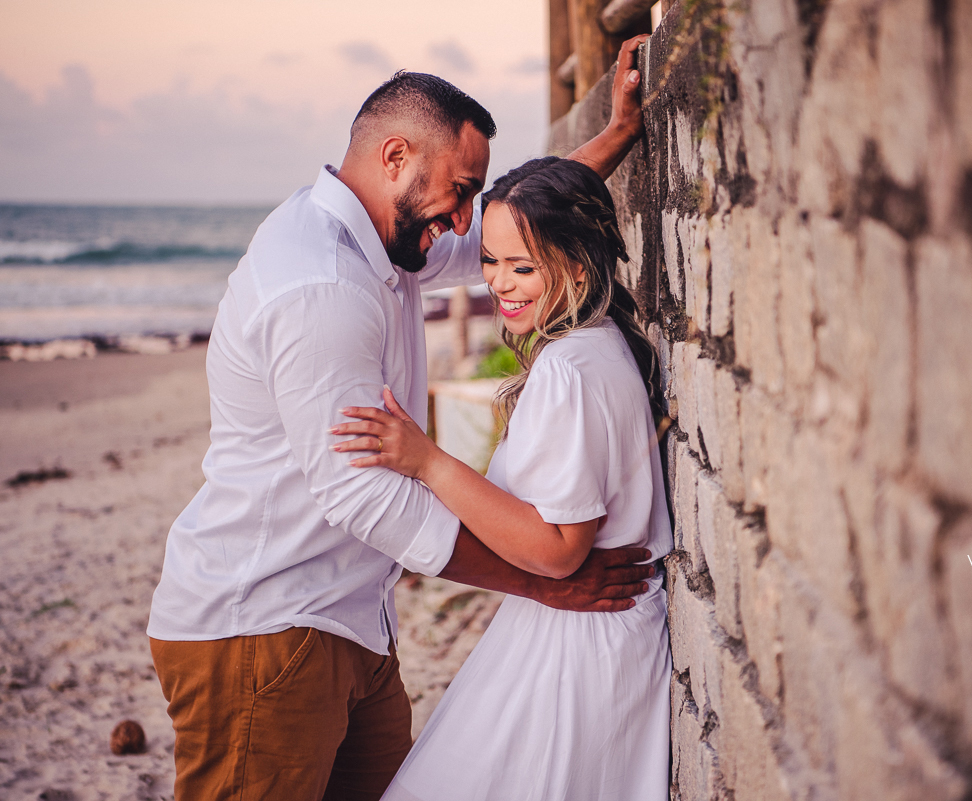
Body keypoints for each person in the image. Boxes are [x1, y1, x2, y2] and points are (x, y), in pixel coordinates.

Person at [147, 36, 653, 801]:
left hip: (348, 622)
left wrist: (616, 134)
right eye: (457, 191)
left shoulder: (393, 241)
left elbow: (522, 229)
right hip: (262, 628)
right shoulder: (320, 284)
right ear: (395, 157)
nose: (461, 223)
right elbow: (364, 496)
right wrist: (542, 581)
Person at [331, 156, 672, 800]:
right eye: (489, 260)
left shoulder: (568, 369)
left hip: (578, 643)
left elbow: (558, 549)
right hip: (596, 633)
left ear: (576, 264)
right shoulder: (600, 342)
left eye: (523, 266)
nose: (501, 285)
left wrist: (428, 462)